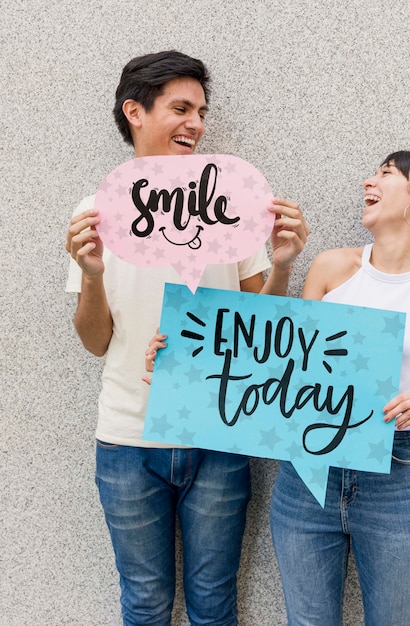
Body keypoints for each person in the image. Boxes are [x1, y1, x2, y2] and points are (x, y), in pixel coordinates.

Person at [65, 50, 308, 626]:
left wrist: (282, 266)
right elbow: (95, 341)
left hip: (219, 435)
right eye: (180, 108)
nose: (196, 123)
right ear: (135, 112)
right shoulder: (94, 211)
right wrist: (94, 276)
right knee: (145, 604)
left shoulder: (234, 200)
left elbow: (259, 332)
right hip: (126, 437)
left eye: (201, 110)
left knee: (213, 606)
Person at [269, 150, 410, 626]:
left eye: (385, 174)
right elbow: (282, 359)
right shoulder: (330, 267)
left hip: (398, 471)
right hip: (307, 469)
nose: (367, 183)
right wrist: (178, 364)